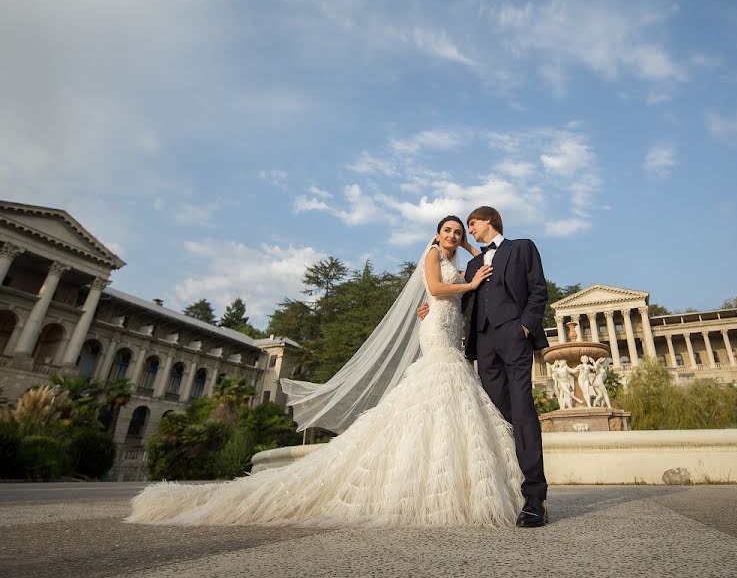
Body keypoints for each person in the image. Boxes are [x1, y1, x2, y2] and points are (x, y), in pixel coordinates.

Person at [125, 216, 525, 528]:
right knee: (438, 385)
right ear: (436, 236)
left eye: (459, 231)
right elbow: (436, 290)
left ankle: (459, 483)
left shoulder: (456, 255)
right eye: (447, 231)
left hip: (448, 324)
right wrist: (471, 284)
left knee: (449, 396)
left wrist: (471, 250)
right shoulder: (433, 256)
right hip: (437, 325)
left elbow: (468, 264)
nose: (455, 235)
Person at [418, 206, 550, 528]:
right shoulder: (474, 263)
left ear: (487, 220)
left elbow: (538, 289)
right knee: (495, 414)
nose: (467, 231)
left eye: (470, 225)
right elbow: (461, 299)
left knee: (522, 411)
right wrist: (431, 308)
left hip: (514, 336)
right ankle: (507, 486)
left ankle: (535, 497)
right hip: (483, 344)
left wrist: (526, 326)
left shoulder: (522, 247)